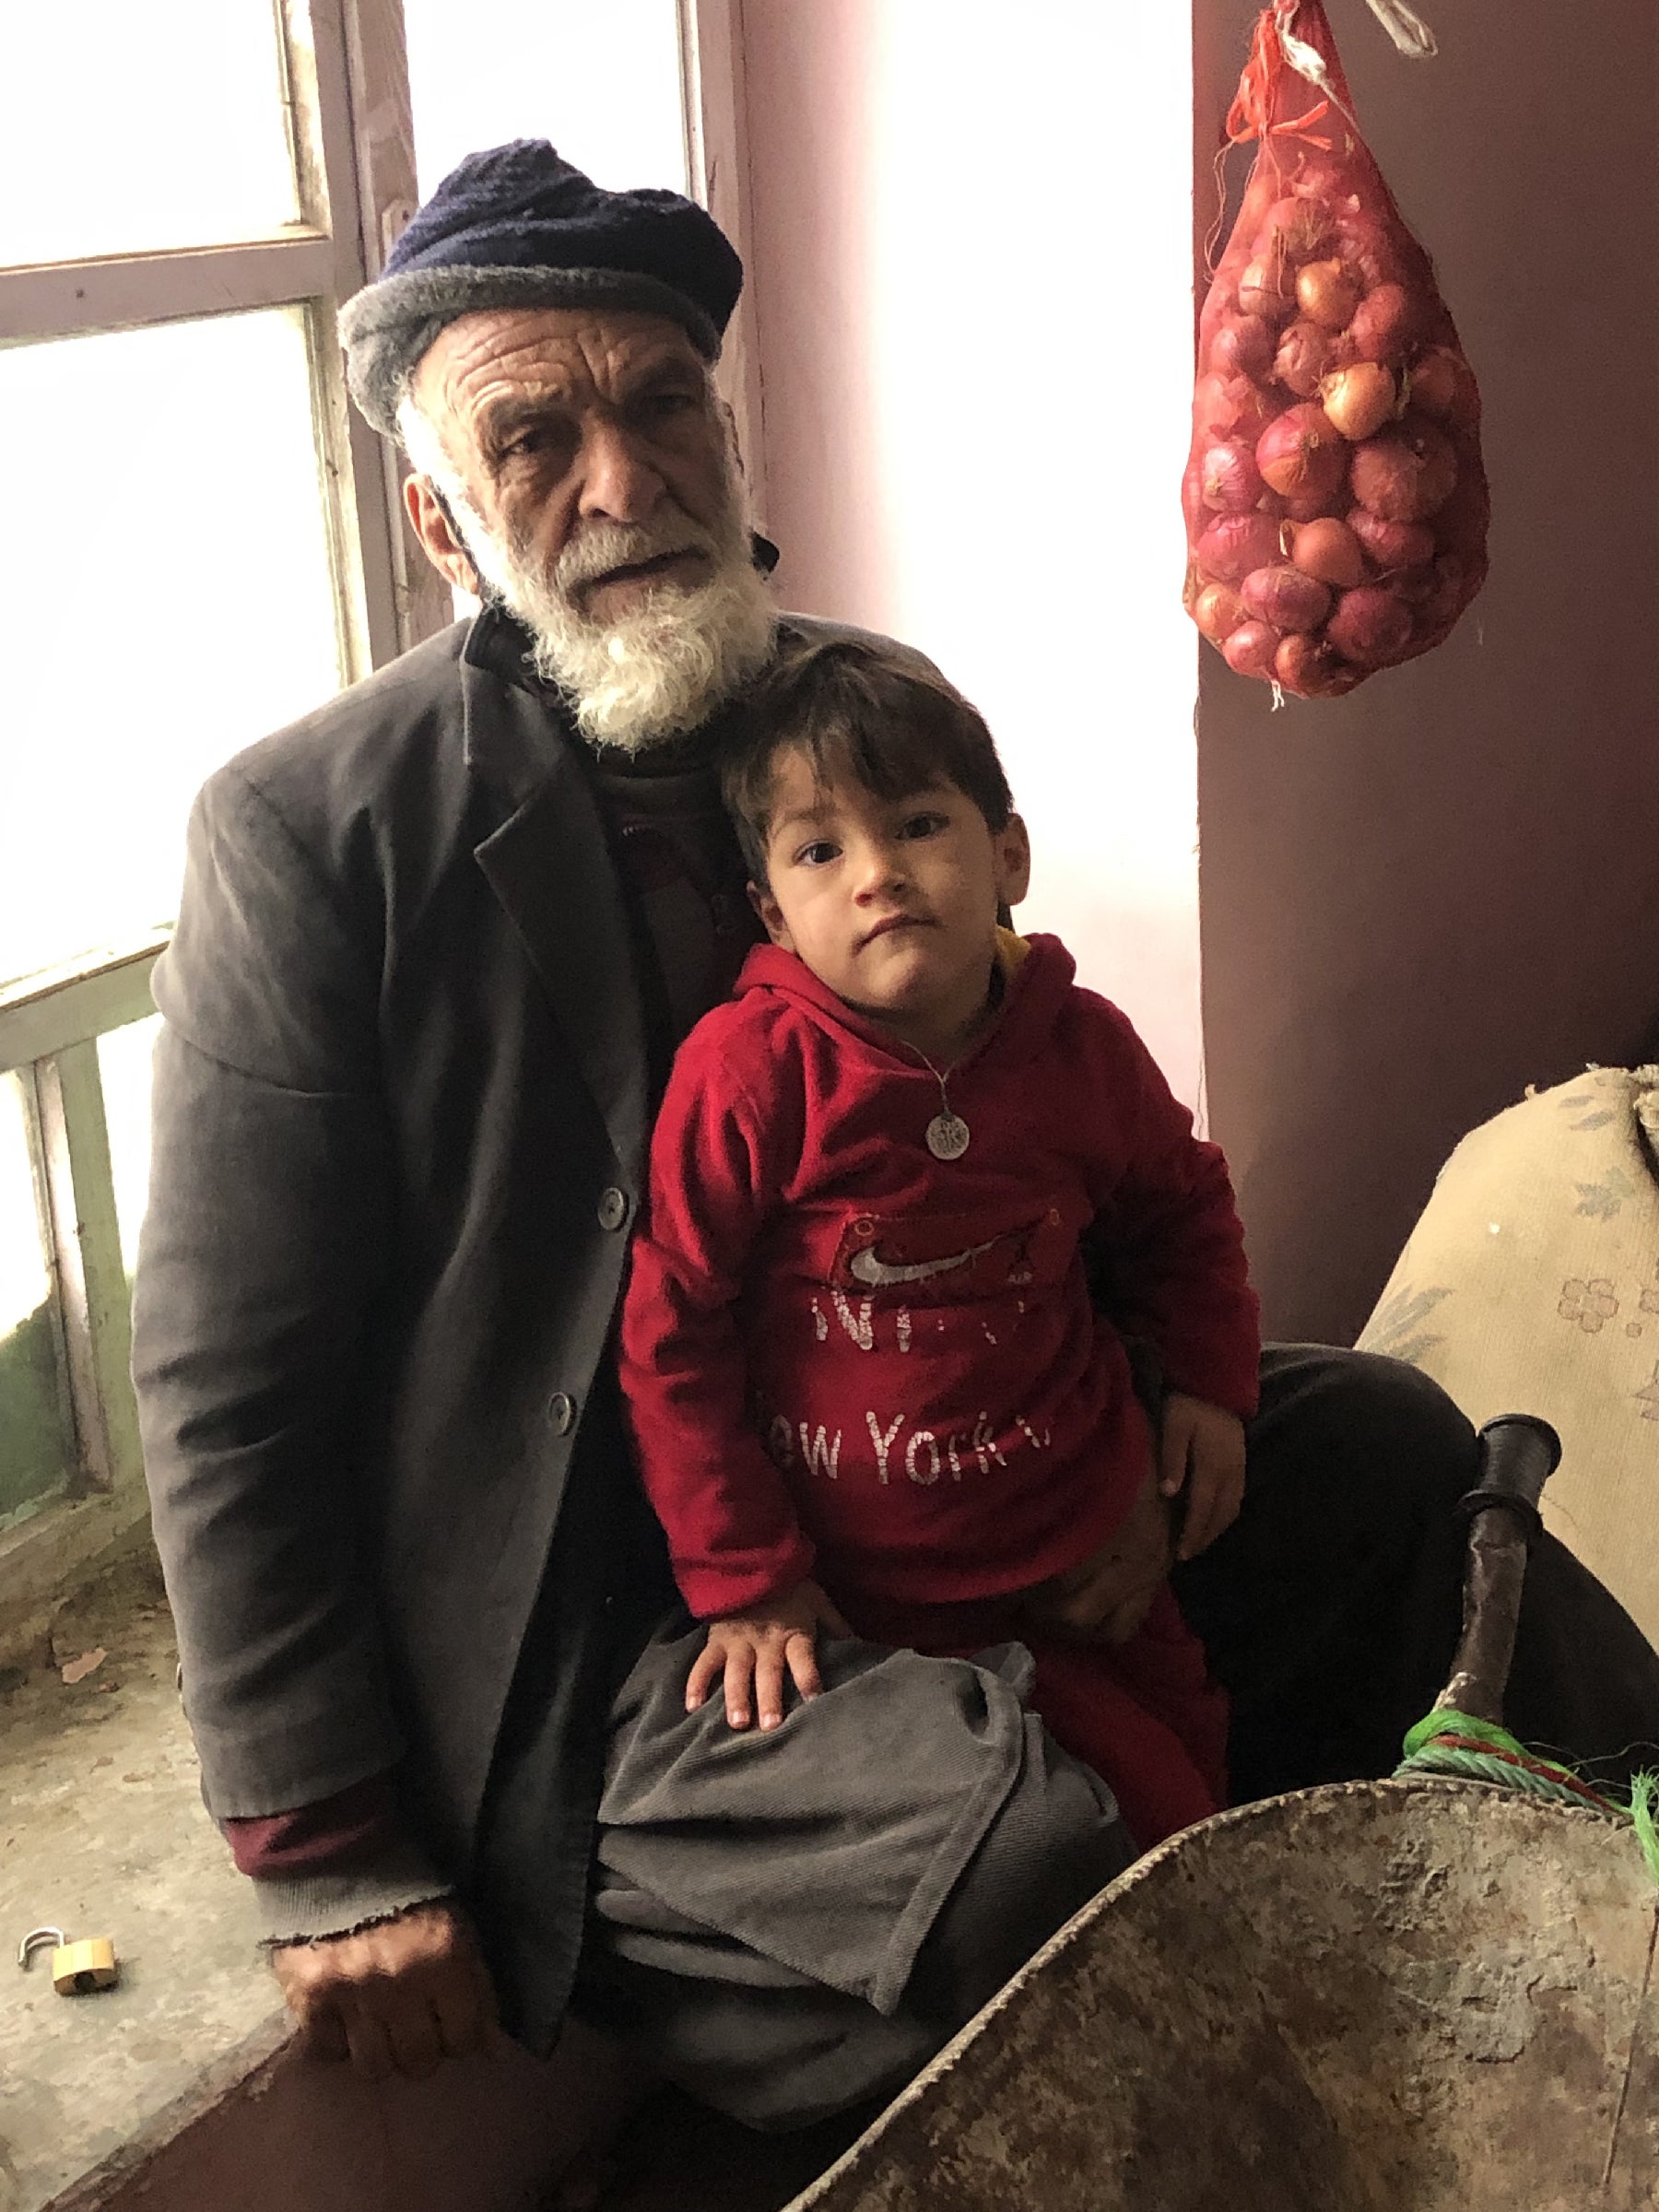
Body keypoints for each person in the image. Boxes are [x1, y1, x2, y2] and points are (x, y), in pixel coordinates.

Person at [132, 139, 1659, 2132]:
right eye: (533, 438)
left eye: (663, 402)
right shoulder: (313, 837)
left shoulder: (851, 723)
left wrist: (1143, 1410)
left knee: (1388, 1454)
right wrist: (325, 1841)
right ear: (438, 516)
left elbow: (1042, 1127)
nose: (622, 481)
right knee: (1022, 1834)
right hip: (618, 1624)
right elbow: (224, 1379)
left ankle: (1617, 1910)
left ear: (727, 428)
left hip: (958, 1454)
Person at [618, 633, 1259, 1852]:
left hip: (1093, 1545)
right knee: (1114, 1837)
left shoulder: (1082, 1051)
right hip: (876, 1609)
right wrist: (746, 1577)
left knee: (1194, 1781)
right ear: (769, 908)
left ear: (1006, 853)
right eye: (821, 850)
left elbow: (1184, 1213)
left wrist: (1214, 1392)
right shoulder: (753, 1076)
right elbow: (672, 1332)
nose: (877, 876)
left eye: (917, 825)